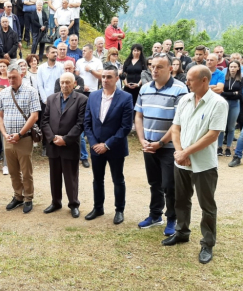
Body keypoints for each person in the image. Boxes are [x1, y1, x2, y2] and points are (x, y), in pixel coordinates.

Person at [163, 66, 228, 265]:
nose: (187, 83)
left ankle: (207, 243)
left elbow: (213, 134)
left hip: (204, 164)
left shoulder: (218, 103)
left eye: (191, 80)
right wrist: (179, 152)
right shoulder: (185, 100)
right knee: (181, 200)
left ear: (205, 81)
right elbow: (176, 127)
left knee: (207, 205)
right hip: (182, 160)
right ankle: (182, 232)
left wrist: (186, 152)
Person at [134, 53, 188, 235]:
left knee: (169, 185)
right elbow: (139, 116)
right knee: (154, 182)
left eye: (159, 67)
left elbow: (178, 123)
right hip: (148, 145)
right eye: (152, 66)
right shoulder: (145, 88)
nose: (154, 70)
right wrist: (142, 140)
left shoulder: (180, 90)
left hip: (169, 147)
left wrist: (160, 142)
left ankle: (172, 218)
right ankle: (155, 215)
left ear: (170, 68)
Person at [83, 66, 133, 223]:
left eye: (109, 77)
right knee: (97, 179)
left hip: (115, 147)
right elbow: (87, 122)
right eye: (103, 77)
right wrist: (93, 143)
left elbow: (125, 127)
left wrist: (107, 145)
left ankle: (119, 210)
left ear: (117, 78)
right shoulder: (93, 96)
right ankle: (98, 208)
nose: (105, 80)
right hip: (96, 146)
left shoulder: (125, 98)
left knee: (118, 179)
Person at [41, 72, 87, 218]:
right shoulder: (51, 99)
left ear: (74, 84)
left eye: (68, 82)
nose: (65, 85)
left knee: (71, 176)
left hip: (70, 145)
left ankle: (73, 204)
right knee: (54, 176)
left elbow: (80, 124)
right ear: (59, 83)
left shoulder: (82, 99)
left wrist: (66, 139)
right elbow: (45, 121)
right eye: (62, 82)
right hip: (53, 144)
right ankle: (56, 202)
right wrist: (52, 138)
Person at [0, 65, 40, 213]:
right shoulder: (3, 93)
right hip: (8, 138)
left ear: (21, 75)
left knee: (26, 171)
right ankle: (18, 196)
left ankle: (28, 197)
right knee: (13, 171)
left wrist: (20, 134)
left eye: (14, 77)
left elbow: (35, 116)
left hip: (24, 138)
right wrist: (4, 134)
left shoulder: (31, 92)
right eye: (8, 77)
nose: (11, 80)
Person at [217, 60, 243, 157]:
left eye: (234, 67)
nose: (232, 68)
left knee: (231, 127)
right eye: (231, 66)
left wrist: (230, 94)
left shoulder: (241, 79)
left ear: (238, 68)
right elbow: (220, 91)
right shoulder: (224, 78)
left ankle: (228, 147)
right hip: (224, 103)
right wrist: (233, 93)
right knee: (221, 126)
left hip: (235, 104)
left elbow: (240, 94)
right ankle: (219, 147)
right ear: (228, 68)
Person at [122, 44, 146, 109]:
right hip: (128, 87)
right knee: (127, 105)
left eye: (138, 50)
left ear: (141, 51)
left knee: (137, 105)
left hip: (138, 87)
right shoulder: (127, 61)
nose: (136, 52)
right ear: (132, 51)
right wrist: (126, 83)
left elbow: (144, 74)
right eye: (134, 50)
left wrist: (138, 84)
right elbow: (124, 73)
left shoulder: (143, 62)